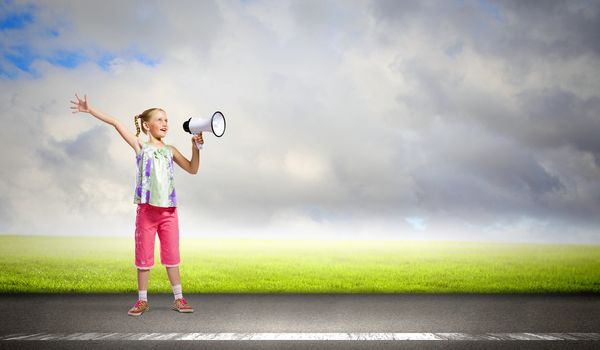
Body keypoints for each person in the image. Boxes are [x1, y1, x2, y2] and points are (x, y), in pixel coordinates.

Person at [70, 93, 202, 316]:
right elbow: (116, 123)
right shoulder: (140, 145)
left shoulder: (170, 150)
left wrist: (196, 148)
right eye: (159, 119)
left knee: (172, 257)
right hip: (146, 212)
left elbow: (192, 168)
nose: (165, 124)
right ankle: (142, 300)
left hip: (169, 212)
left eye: (166, 120)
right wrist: (90, 109)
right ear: (146, 125)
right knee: (143, 257)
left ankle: (179, 298)